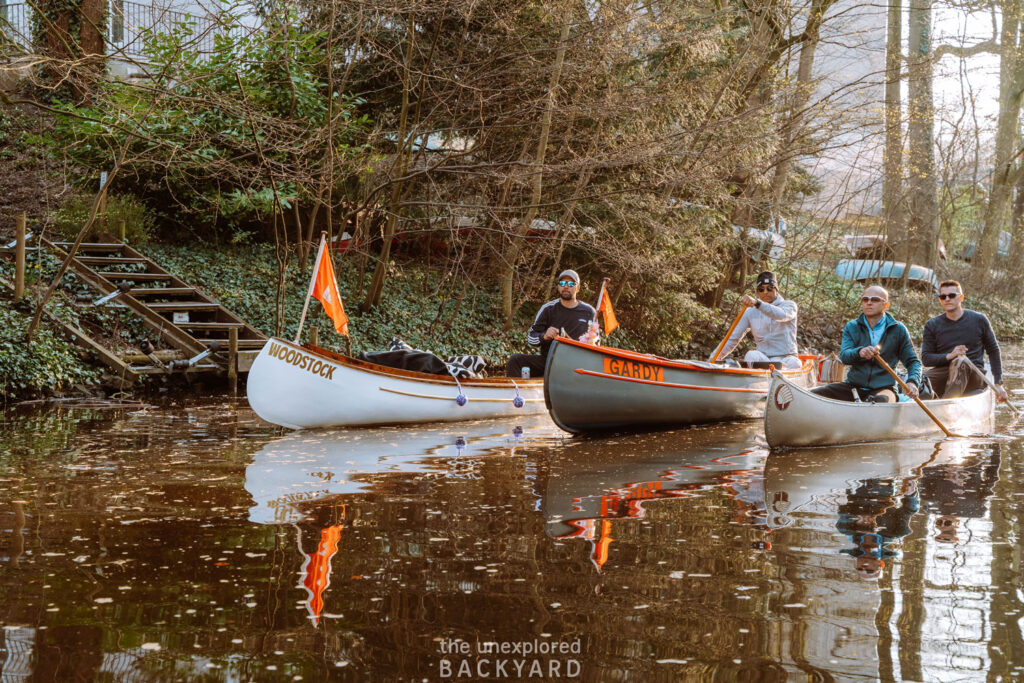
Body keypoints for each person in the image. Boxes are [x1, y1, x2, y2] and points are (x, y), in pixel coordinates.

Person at [811, 285, 921, 402]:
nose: (869, 302)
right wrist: (859, 352)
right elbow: (844, 357)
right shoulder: (852, 327)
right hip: (853, 386)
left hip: (884, 388)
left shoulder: (898, 329)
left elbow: (913, 362)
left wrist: (912, 382)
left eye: (874, 299)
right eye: (865, 299)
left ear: (886, 305)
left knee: (880, 400)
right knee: (812, 395)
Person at [920, 280, 1009, 402]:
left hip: (974, 374)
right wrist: (950, 355)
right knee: (916, 380)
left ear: (961, 297)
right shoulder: (932, 325)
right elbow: (926, 358)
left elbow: (993, 350)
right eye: (943, 296)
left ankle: (947, 406)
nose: (947, 299)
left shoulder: (979, 320)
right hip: (943, 372)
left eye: (951, 295)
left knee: (960, 361)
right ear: (940, 300)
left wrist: (998, 383)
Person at [506, 269, 596, 378]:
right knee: (515, 360)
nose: (566, 286)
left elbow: (596, 342)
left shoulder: (589, 312)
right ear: (558, 287)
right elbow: (531, 337)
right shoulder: (548, 309)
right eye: (562, 283)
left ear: (578, 288)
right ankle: (516, 392)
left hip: (576, 365)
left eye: (571, 283)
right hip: (549, 361)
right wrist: (544, 336)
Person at [714, 271, 801, 369]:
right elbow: (732, 338)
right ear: (758, 291)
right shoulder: (750, 311)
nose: (765, 292)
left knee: (796, 363)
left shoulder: (789, 305)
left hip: (786, 359)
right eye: (761, 289)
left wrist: (758, 304)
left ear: (776, 289)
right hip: (764, 360)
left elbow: (781, 315)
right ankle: (755, 381)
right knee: (751, 354)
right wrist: (711, 360)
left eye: (769, 288)